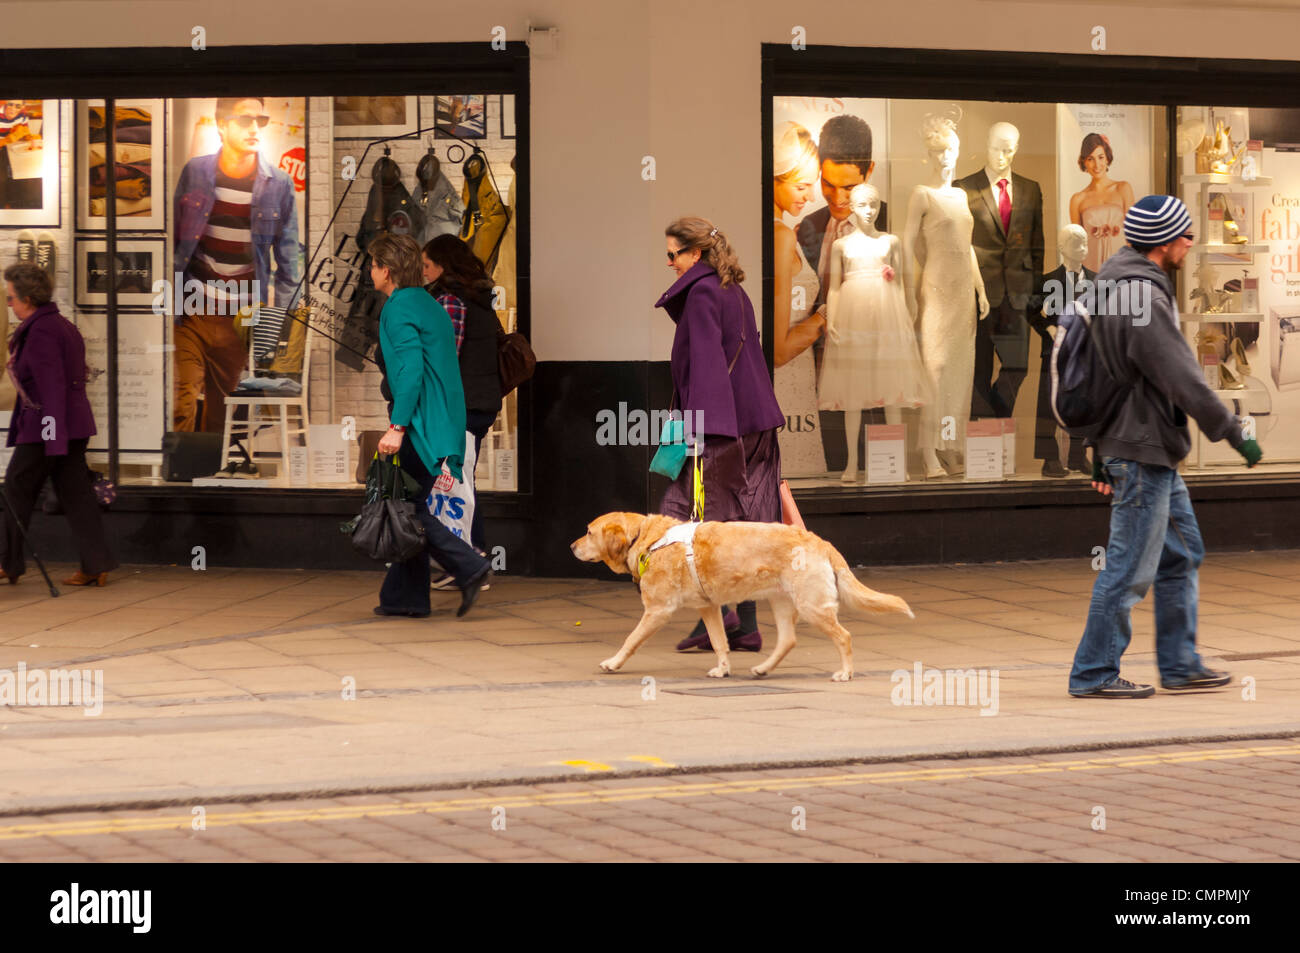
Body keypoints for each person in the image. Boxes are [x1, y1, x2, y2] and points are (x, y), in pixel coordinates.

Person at [1069, 195, 1263, 699]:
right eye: (1186, 234)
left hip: (1137, 443)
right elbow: (1183, 378)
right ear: (1164, 243)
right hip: (1141, 448)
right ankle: (1094, 672)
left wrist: (1097, 446)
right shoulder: (1143, 298)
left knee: (1180, 553)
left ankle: (1179, 663)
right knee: (1129, 567)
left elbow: (1104, 375)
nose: (1191, 242)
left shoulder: (1112, 283)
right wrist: (1233, 432)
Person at [659, 217, 786, 653]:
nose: (669, 262)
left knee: (690, 521)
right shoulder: (735, 291)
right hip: (755, 424)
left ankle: (721, 613)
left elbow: (709, 368)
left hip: (720, 427)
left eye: (674, 253)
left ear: (696, 254)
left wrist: (701, 433)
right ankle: (745, 625)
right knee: (741, 523)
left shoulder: (701, 294)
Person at [369, 233, 491, 618]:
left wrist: (397, 426)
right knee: (409, 506)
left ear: (386, 271)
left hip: (420, 425)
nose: (369, 271)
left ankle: (469, 566)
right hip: (442, 420)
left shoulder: (399, 307)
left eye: (373, 265)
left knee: (410, 510)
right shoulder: (427, 303)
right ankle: (405, 598)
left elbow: (410, 371)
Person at [172, 96, 301, 433]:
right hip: (193, 309)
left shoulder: (279, 185)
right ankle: (177, 480)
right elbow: (173, 240)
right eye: (245, 120)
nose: (254, 128)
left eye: (261, 120)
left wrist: (283, 329)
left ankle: (211, 478)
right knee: (182, 398)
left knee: (225, 409)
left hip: (241, 318)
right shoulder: (196, 172)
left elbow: (288, 264)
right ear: (221, 125)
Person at [2, 263, 117, 587]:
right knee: (77, 496)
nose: (9, 305)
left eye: (11, 298)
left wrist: (53, 440)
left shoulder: (41, 331)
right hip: (69, 427)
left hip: (47, 430)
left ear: (27, 298)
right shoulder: (61, 325)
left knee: (14, 490)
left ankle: (9, 563)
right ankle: (96, 565)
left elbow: (52, 388)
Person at [795, 114, 885, 472]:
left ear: (869, 172)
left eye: (848, 187)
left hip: (872, 367)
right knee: (828, 462)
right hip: (817, 370)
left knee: (872, 463)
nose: (836, 197)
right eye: (827, 183)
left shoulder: (889, 226)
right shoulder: (808, 227)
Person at [902, 113, 989, 479]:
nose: (946, 157)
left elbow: (966, 247)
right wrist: (909, 292)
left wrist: (981, 289)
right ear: (929, 154)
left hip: (962, 294)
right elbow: (907, 243)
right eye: (939, 151)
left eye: (951, 149)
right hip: (936, 290)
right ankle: (927, 454)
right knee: (935, 373)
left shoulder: (960, 195)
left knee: (959, 374)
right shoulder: (923, 195)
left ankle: (949, 446)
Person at [421, 234, 503, 567]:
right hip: (478, 402)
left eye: (427, 265)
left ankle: (470, 561)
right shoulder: (479, 297)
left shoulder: (451, 300)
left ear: (443, 265)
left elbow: (446, 359)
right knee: (461, 479)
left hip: (461, 407)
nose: (424, 272)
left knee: (455, 483)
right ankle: (470, 557)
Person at [771, 121, 827, 475]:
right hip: (786, 387)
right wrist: (823, 317)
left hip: (793, 382)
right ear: (775, 179)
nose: (810, 197)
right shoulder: (780, 238)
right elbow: (777, 350)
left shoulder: (774, 230)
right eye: (801, 187)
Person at [1069, 132, 1134, 275]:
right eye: (1090, 159)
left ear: (1107, 158)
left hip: (1122, 268)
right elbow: (1077, 248)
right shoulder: (1077, 199)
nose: (1097, 165)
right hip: (1091, 269)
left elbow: (1133, 237)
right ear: (1084, 162)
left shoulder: (1123, 188)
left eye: (1100, 157)